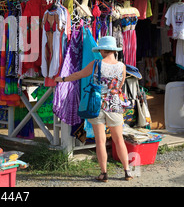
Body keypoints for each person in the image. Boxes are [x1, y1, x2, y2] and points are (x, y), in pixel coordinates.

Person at [55, 36, 133, 182]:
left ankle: (104, 174)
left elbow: (79, 75)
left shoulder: (96, 64)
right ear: (114, 50)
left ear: (103, 50)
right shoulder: (122, 66)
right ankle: (127, 171)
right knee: (119, 140)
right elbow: (120, 86)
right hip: (115, 106)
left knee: (101, 142)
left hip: (96, 106)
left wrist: (63, 79)